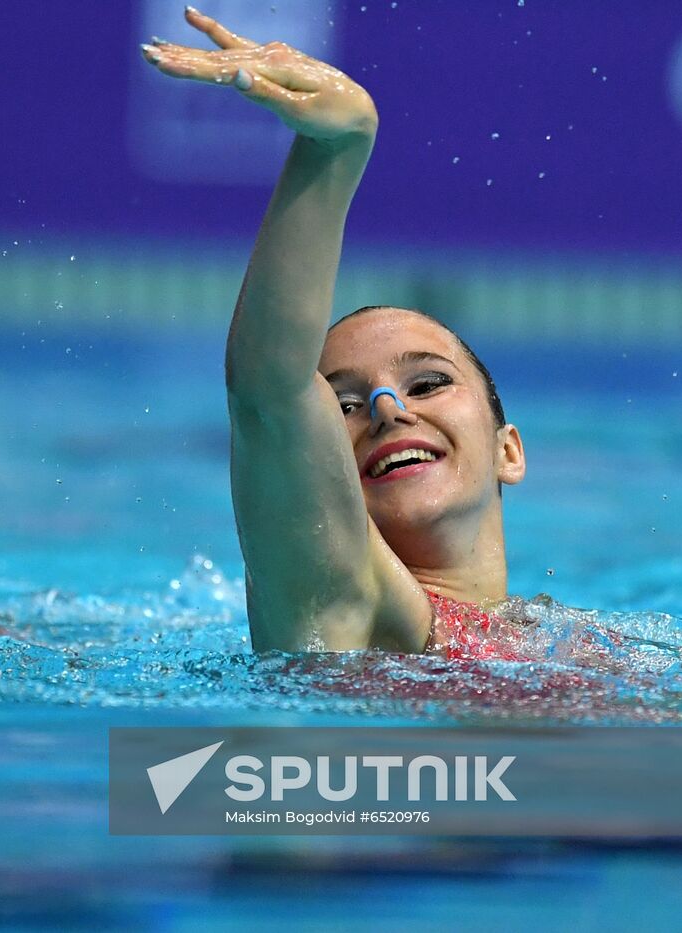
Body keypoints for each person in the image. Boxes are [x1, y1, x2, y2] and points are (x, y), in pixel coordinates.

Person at [142, 10, 527, 658]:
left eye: (428, 382)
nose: (386, 407)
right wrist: (335, 151)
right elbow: (270, 390)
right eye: (342, 404)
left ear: (507, 450)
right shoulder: (354, 608)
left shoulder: (561, 635)